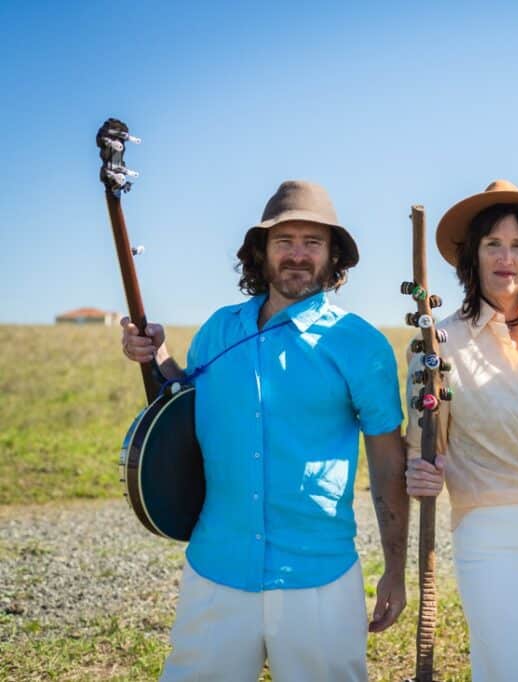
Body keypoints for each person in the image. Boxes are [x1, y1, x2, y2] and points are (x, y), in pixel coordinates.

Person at [120, 180, 409, 681]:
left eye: (312, 243)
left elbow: (388, 462)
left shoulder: (360, 345)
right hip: (216, 571)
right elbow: (189, 405)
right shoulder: (218, 330)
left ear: (332, 255)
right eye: (284, 241)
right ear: (261, 252)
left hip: (318, 576)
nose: (297, 255)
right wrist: (156, 355)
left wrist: (396, 570)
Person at [404, 180, 518, 681]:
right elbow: (424, 446)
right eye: (493, 244)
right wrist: (420, 472)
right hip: (494, 538)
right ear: (472, 257)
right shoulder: (439, 344)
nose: (506, 258)